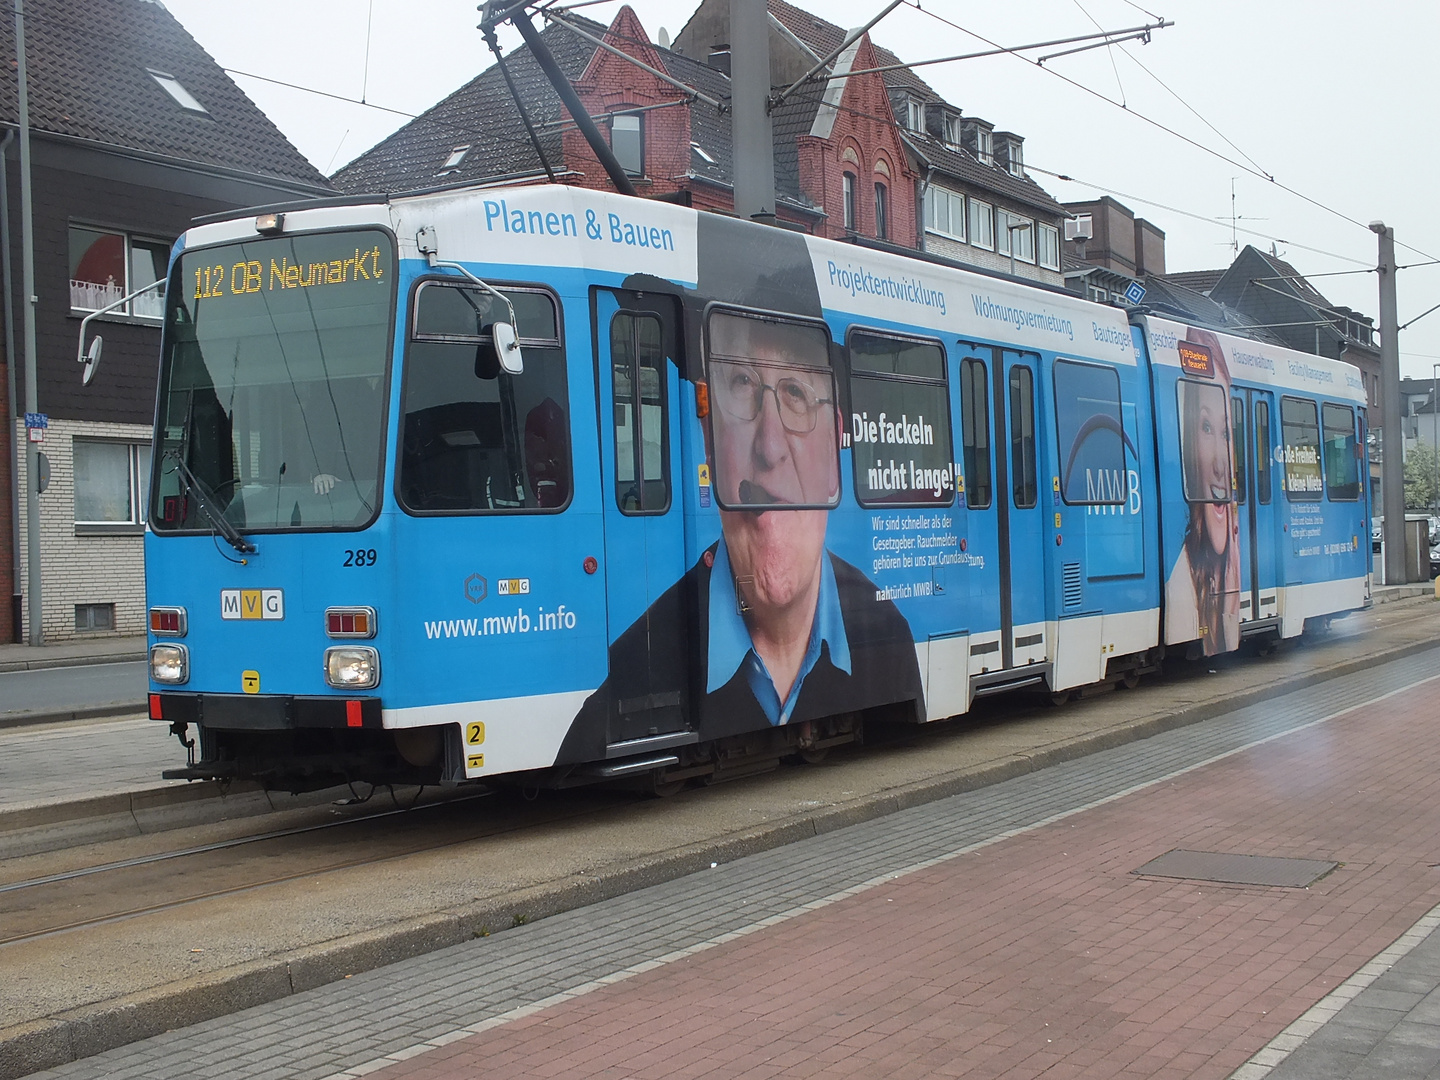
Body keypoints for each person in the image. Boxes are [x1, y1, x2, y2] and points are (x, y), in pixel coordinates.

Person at [559, 311, 923, 761]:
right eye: (741, 386)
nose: (769, 447)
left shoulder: (893, 639)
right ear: (710, 443)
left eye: (797, 393)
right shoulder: (622, 682)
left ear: (836, 449)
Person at [1166, 329, 1241, 655]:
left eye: (1226, 433)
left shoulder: (1230, 565)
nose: (1220, 466)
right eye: (1206, 428)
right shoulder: (1181, 582)